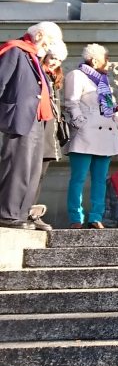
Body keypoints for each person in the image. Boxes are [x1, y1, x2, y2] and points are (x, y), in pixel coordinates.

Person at [0, 22, 64, 230]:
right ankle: (7, 214)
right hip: (19, 118)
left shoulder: (32, 55)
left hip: (38, 120)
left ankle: (22, 212)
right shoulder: (15, 50)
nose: (49, 47)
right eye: (49, 41)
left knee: (32, 170)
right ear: (39, 35)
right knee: (17, 167)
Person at [64, 44, 118, 230]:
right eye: (107, 58)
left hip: (105, 135)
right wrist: (80, 122)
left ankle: (96, 217)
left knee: (100, 179)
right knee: (79, 178)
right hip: (85, 134)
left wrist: (116, 118)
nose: (109, 63)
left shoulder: (103, 81)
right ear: (95, 60)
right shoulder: (77, 75)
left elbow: (107, 107)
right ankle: (76, 217)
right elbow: (71, 102)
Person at [31, 41, 69, 232]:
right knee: (30, 174)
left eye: (59, 59)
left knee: (40, 174)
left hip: (49, 132)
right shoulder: (37, 73)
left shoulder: (55, 77)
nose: (55, 62)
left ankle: (30, 211)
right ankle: (23, 211)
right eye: (53, 57)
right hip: (37, 130)